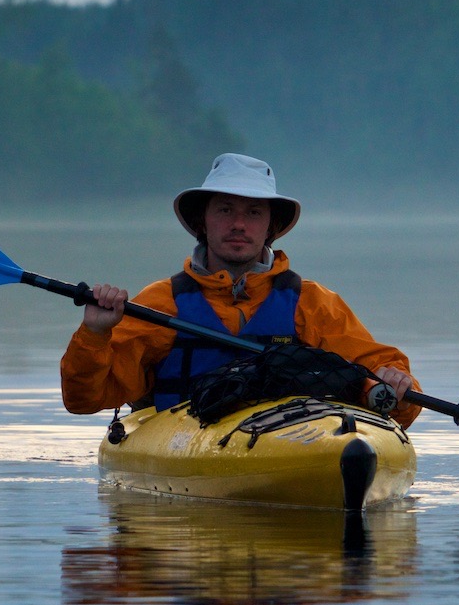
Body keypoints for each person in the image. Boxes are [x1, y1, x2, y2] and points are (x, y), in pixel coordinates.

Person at [60, 153, 421, 427]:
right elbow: (84, 400)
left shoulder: (312, 303)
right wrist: (95, 333)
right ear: (203, 221)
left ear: (270, 226)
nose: (238, 224)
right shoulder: (160, 303)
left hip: (289, 438)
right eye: (225, 210)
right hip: (181, 438)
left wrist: (395, 383)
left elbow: (390, 389)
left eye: (252, 213)